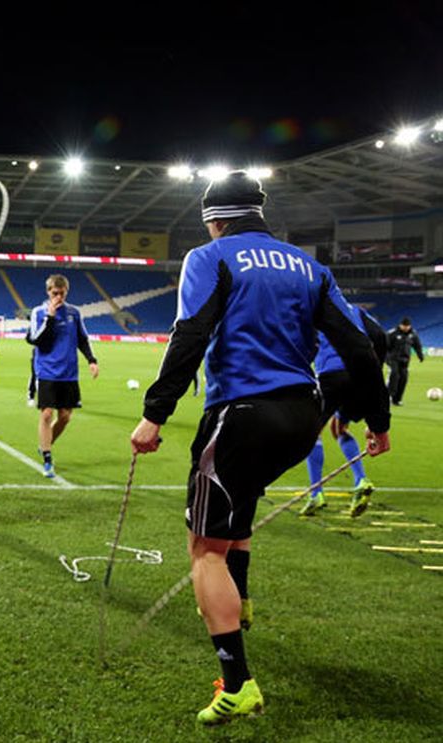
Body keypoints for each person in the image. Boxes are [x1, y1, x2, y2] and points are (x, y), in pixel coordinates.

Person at [129, 172, 390, 726]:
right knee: (239, 505)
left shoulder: (212, 256)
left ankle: (238, 681)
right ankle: (240, 601)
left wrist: (155, 415)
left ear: (213, 218)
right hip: (302, 417)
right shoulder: (309, 267)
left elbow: (191, 333)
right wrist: (379, 421)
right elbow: (361, 348)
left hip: (241, 414)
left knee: (205, 551)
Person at [299, 309, 387, 518]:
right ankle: (360, 480)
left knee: (312, 432)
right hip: (362, 376)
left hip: (332, 375)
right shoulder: (356, 311)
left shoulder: (314, 310)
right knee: (339, 427)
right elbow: (380, 336)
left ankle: (316, 493)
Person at [26, 274, 98, 478]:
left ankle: (45, 444)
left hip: (69, 372)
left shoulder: (74, 313)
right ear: (48, 292)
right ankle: (48, 458)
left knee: (65, 417)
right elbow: (36, 340)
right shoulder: (38, 312)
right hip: (47, 370)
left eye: (62, 293)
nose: (58, 296)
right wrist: (49, 317)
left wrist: (92, 360)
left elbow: (82, 339)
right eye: (54, 293)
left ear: (66, 292)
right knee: (47, 414)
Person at [385, 316, 424, 405]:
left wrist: (420, 355)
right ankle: (388, 397)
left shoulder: (413, 334)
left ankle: (397, 399)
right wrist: (386, 357)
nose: (406, 328)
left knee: (403, 378)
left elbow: (417, 345)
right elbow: (384, 346)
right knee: (394, 375)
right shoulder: (392, 333)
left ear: (410, 326)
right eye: (404, 326)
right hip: (392, 359)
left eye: (407, 326)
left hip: (405, 360)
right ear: (400, 325)